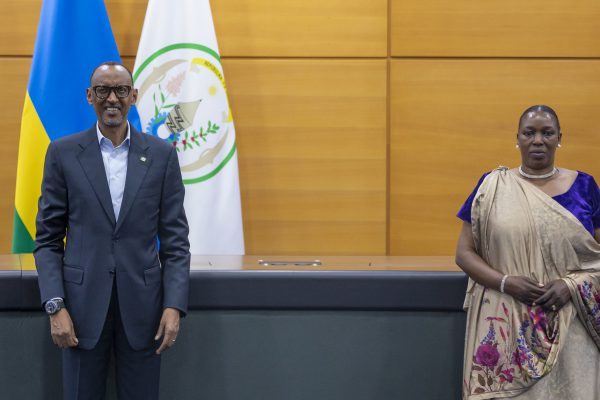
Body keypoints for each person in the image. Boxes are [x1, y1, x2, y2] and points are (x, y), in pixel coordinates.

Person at [34, 61, 190, 400]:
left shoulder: (162, 155)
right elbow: (47, 240)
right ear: (90, 96)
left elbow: (176, 242)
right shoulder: (63, 153)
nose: (112, 99)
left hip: (145, 313)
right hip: (79, 311)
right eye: (103, 90)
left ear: (133, 96)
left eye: (121, 90)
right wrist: (55, 305)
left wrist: (174, 305)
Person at [455, 105, 600, 399]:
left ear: (559, 138)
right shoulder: (492, 187)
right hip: (507, 321)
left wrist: (571, 286)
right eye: (529, 133)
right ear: (517, 138)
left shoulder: (585, 187)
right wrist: (506, 282)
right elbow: (464, 253)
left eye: (547, 133)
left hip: (571, 323)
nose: (538, 140)